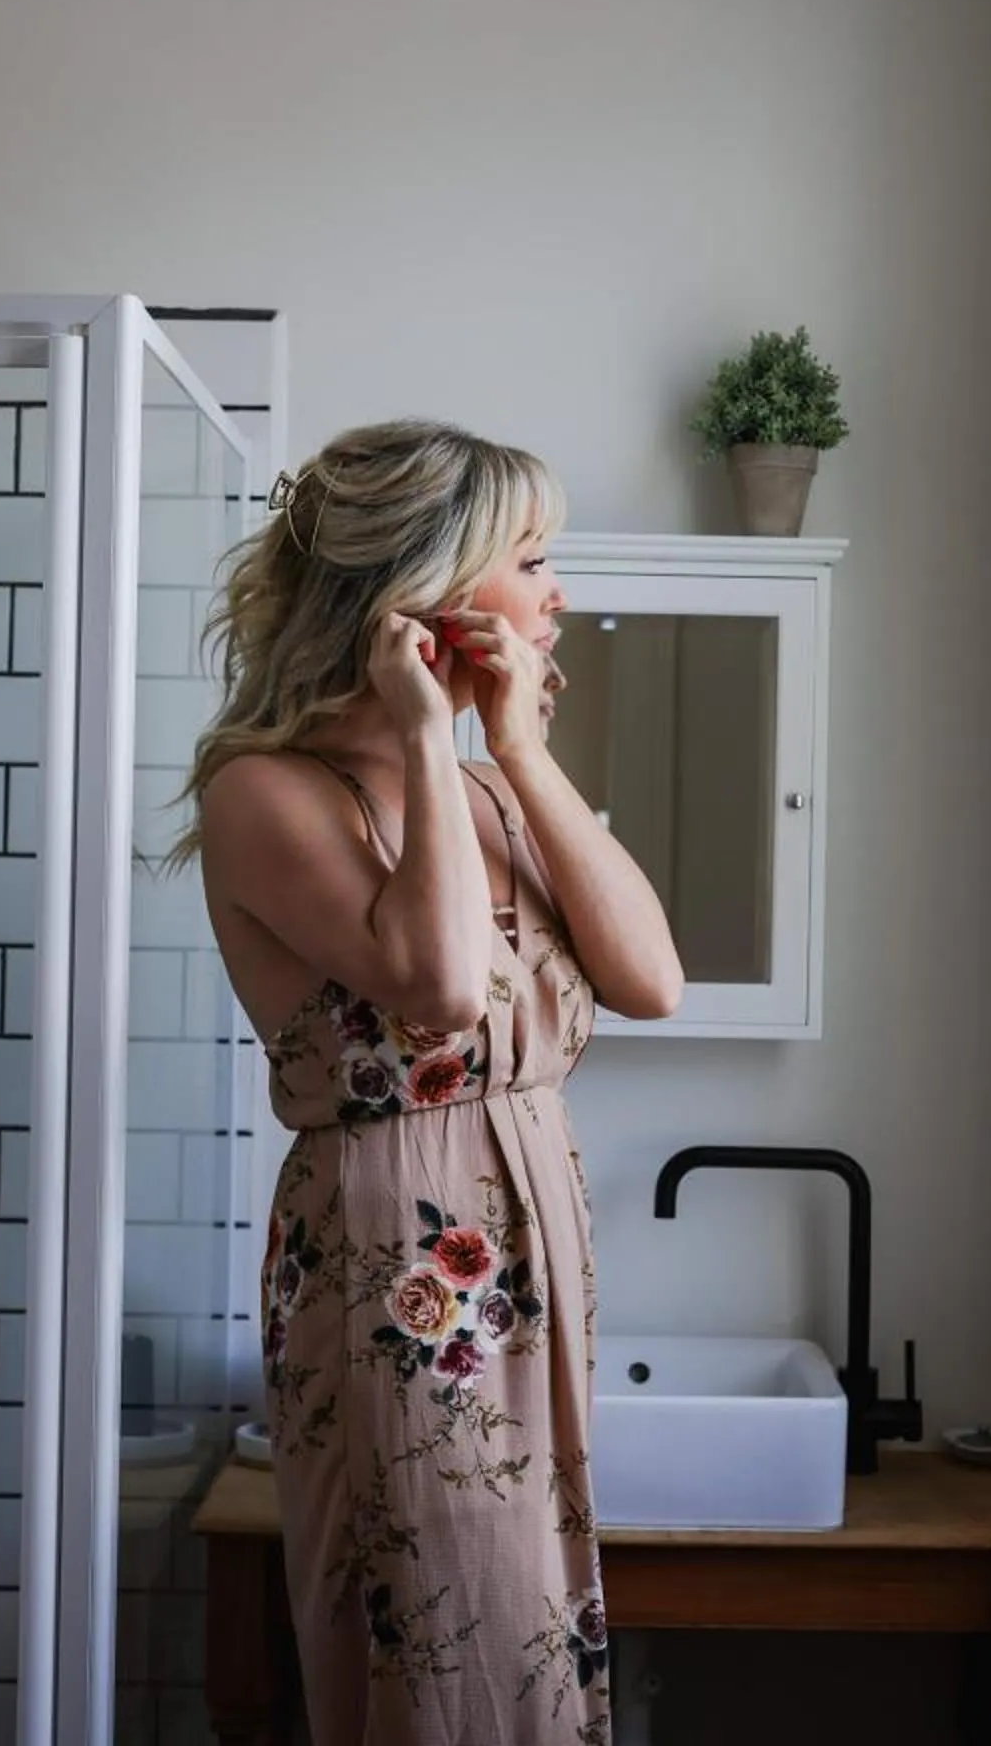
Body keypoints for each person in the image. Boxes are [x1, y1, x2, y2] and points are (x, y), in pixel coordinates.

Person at [181, 420, 685, 1746]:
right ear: (430, 592)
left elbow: (650, 980)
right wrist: (419, 729)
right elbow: (441, 986)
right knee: (443, 1629)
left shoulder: (488, 785)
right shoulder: (264, 794)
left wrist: (515, 751)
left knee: (524, 1615)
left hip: (527, 1253)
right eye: (532, 558)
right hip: (396, 1266)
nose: (559, 592)